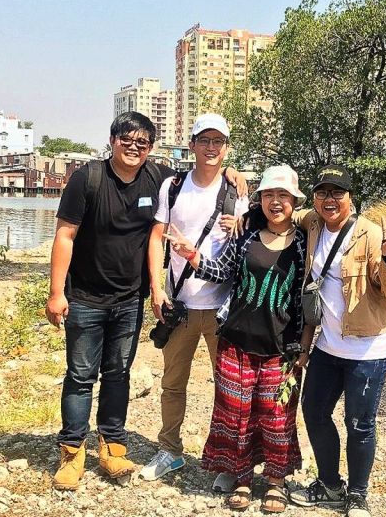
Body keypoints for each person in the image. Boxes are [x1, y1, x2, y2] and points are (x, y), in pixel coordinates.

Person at [45, 112, 246, 491]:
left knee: (121, 374)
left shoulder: (178, 181)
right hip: (100, 297)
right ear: (112, 139)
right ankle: (74, 452)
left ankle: (116, 447)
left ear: (151, 148)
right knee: (83, 376)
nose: (134, 147)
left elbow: (215, 176)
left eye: (142, 142)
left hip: (152, 302)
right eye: (127, 139)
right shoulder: (101, 179)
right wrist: (57, 293)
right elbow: (68, 235)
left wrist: (235, 174)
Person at [165, 165, 313, 513]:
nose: (276, 202)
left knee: (277, 417)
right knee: (237, 414)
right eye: (269, 195)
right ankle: (242, 477)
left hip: (282, 349)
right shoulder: (245, 235)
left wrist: (304, 346)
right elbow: (223, 272)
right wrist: (193, 256)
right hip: (236, 342)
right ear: (260, 200)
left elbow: (309, 301)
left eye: (283, 196)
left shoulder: (306, 243)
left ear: (294, 202)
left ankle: (276, 481)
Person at [287, 165, 386, 517]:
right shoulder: (312, 223)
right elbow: (283, 209)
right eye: (323, 192)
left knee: (359, 423)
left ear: (350, 198)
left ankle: (357, 494)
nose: (329, 199)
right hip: (328, 346)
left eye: (337, 192)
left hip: (369, 350)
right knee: (313, 411)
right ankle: (329, 484)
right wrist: (244, 192)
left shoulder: (370, 235)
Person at [140, 113, 249, 486]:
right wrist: (156, 289)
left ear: (227, 147)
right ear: (192, 145)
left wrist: (242, 224)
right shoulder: (172, 186)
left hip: (222, 310)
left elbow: (248, 246)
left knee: (228, 388)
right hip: (180, 306)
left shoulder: (237, 191)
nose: (211, 148)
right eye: (205, 140)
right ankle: (170, 449)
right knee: (173, 383)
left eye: (219, 141)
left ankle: (226, 461)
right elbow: (157, 237)